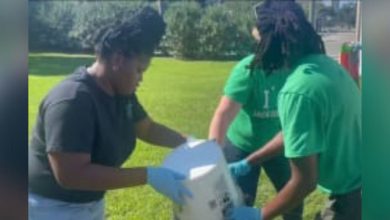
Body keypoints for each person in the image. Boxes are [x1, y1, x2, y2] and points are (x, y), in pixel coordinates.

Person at [28, 7, 192, 220]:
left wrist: (190, 142)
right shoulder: (73, 100)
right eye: (139, 70)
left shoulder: (120, 93)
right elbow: (72, 175)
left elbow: (148, 129)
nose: (140, 78)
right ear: (117, 60)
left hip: (89, 202)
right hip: (51, 208)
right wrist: (149, 175)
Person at [229, 1, 361, 220]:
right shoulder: (326, 66)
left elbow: (304, 182)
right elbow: (297, 131)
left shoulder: (297, 91)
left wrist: (259, 215)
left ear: (270, 43)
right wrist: (250, 160)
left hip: (353, 196)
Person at [208, 13, 302, 220]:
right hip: (243, 145)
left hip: (280, 145)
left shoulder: (296, 67)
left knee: (293, 199)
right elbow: (223, 115)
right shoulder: (247, 69)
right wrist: (212, 156)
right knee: (240, 202)